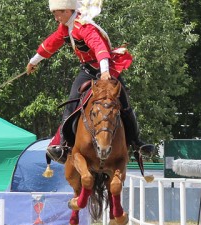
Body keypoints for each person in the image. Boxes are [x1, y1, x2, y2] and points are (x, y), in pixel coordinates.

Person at [26, 0, 154, 164]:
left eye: (56, 13)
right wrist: (33, 62)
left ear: (66, 11)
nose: (55, 17)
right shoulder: (65, 27)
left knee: (124, 103)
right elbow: (51, 43)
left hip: (107, 69)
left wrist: (106, 71)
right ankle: (63, 145)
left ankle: (137, 142)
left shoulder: (85, 27)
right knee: (71, 103)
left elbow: (99, 47)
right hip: (88, 71)